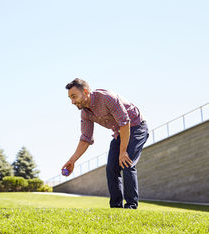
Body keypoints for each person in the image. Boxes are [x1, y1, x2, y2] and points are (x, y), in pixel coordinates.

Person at [62, 78, 149, 209]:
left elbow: (125, 122)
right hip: (119, 132)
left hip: (136, 127)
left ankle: (131, 206)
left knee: (126, 163)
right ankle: (116, 207)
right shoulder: (85, 113)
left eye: (74, 97)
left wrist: (123, 151)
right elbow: (86, 138)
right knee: (111, 169)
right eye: (70, 98)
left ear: (85, 92)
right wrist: (72, 160)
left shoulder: (106, 98)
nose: (72, 102)